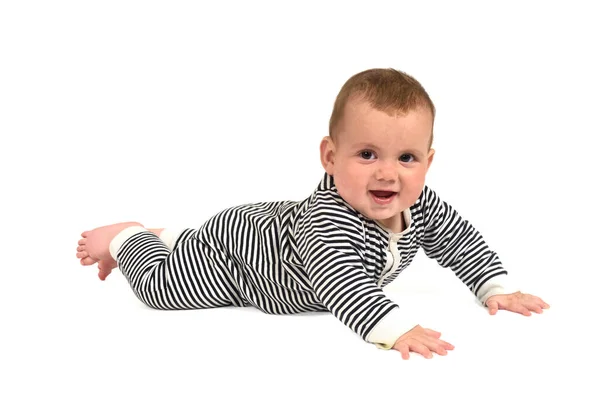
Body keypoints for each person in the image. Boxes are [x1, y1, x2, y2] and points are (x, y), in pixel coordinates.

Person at [75, 68, 549, 359]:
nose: (387, 173)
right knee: (164, 290)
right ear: (330, 156)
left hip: (271, 227)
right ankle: (130, 237)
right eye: (367, 154)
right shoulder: (328, 222)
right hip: (239, 261)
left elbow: (461, 243)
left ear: (427, 162)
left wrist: (495, 287)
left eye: (406, 158)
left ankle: (174, 232)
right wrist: (393, 328)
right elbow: (340, 281)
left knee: (192, 243)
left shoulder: (420, 205)